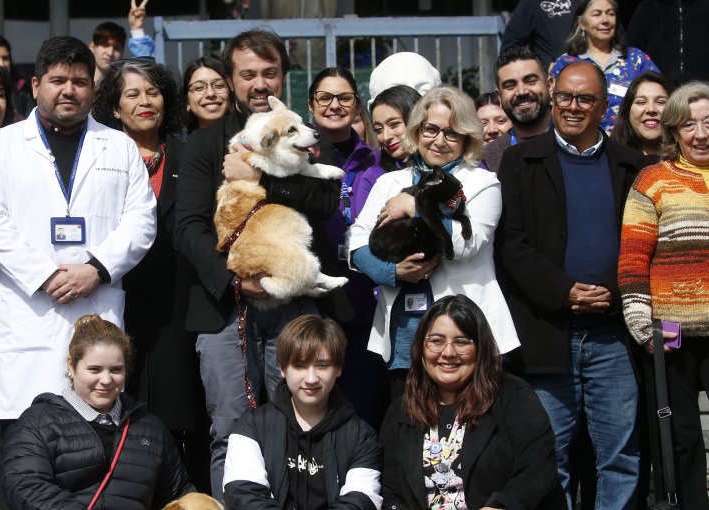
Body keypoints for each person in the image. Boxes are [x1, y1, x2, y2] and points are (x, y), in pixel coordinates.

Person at [174, 28, 351, 501]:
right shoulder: (207, 143)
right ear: (230, 80)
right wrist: (237, 280)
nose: (259, 84)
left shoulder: (302, 131)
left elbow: (326, 199)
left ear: (284, 77)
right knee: (230, 426)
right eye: (247, 74)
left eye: (269, 73)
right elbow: (188, 226)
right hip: (224, 307)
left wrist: (261, 179)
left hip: (294, 303)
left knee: (298, 419)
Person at [0, 36, 157, 421]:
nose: (69, 90)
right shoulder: (1, 147)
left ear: (93, 88)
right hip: (32, 310)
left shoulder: (119, 147)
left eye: (80, 81)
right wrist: (43, 274)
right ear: (36, 86)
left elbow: (141, 220)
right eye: (57, 80)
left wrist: (97, 269)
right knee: (29, 446)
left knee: (95, 441)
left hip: (97, 304)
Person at [496, 60, 648, 510]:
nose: (573, 107)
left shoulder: (630, 164)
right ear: (551, 94)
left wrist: (608, 289)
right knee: (547, 457)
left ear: (603, 105)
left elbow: (640, 243)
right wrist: (563, 290)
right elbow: (511, 245)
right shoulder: (521, 160)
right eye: (565, 96)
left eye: (585, 98)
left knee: (619, 457)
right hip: (547, 333)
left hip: (611, 337)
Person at [349, 86, 520, 401]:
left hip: (465, 340)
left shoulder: (482, 183)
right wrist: (391, 272)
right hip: (404, 336)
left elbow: (464, 244)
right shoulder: (391, 183)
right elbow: (356, 240)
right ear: (417, 130)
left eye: (452, 133)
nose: (439, 141)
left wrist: (414, 208)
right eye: (431, 129)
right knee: (410, 434)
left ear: (467, 137)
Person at [91, 57, 209, 489]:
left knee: (179, 413)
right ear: (115, 106)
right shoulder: (98, 157)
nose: (145, 102)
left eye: (153, 92)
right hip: (113, 299)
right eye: (132, 94)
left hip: (179, 302)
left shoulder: (188, 154)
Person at [380, 295, 566, 509]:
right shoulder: (401, 411)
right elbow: (391, 492)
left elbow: (537, 470)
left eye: (461, 342)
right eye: (437, 341)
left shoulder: (513, 397)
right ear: (421, 348)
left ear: (480, 348)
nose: (448, 353)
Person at [618, 81, 709, 510]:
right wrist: (642, 325)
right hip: (671, 333)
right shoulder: (652, 179)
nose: (701, 134)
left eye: (708, 122)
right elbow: (633, 261)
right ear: (673, 130)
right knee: (683, 441)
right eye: (689, 125)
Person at [1, 314, 195, 509]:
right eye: (95, 369)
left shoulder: (151, 428)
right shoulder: (37, 422)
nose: (106, 379)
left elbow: (179, 494)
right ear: (71, 366)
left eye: (116, 370)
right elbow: (26, 488)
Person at [222, 315, 383, 510]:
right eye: (299, 365)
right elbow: (242, 493)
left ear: (338, 368)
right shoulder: (253, 425)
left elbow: (361, 501)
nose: (311, 378)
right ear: (282, 368)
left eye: (322, 365)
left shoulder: (361, 436)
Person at [310, 67, 390, 427]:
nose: (335, 105)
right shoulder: (300, 157)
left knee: (364, 403)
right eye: (325, 97)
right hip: (312, 298)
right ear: (311, 106)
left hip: (366, 297)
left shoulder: (378, 161)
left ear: (357, 106)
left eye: (344, 97)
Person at [550, 0, 660, 133]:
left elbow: (661, 96)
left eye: (610, 14)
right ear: (581, 23)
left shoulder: (637, 59)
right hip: (581, 143)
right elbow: (553, 108)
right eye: (597, 14)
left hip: (629, 145)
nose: (605, 20)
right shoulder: (566, 63)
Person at [481, 46, 553, 173]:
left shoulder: (573, 141)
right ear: (499, 97)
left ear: (549, 86)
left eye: (530, 81)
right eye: (510, 85)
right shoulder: (487, 159)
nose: (522, 92)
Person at [626, 0, 709, 85]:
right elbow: (631, 54)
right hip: (659, 91)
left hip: (702, 92)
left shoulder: (706, 8)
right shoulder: (648, 8)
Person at [610, 71, 672, 160]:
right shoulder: (609, 159)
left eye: (660, 102)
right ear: (627, 111)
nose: (651, 109)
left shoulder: (688, 163)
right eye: (641, 102)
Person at [501, 0, 579, 69]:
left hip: (586, 72)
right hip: (553, 78)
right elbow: (510, 46)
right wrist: (543, 66)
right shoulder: (532, 2)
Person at [369, 84, 422, 173]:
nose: (386, 137)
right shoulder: (373, 177)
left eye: (394, 124)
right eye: (378, 129)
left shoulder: (446, 166)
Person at [180, 56, 230, 133]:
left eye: (219, 85)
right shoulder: (176, 142)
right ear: (187, 101)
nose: (210, 93)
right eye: (199, 87)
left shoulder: (247, 137)